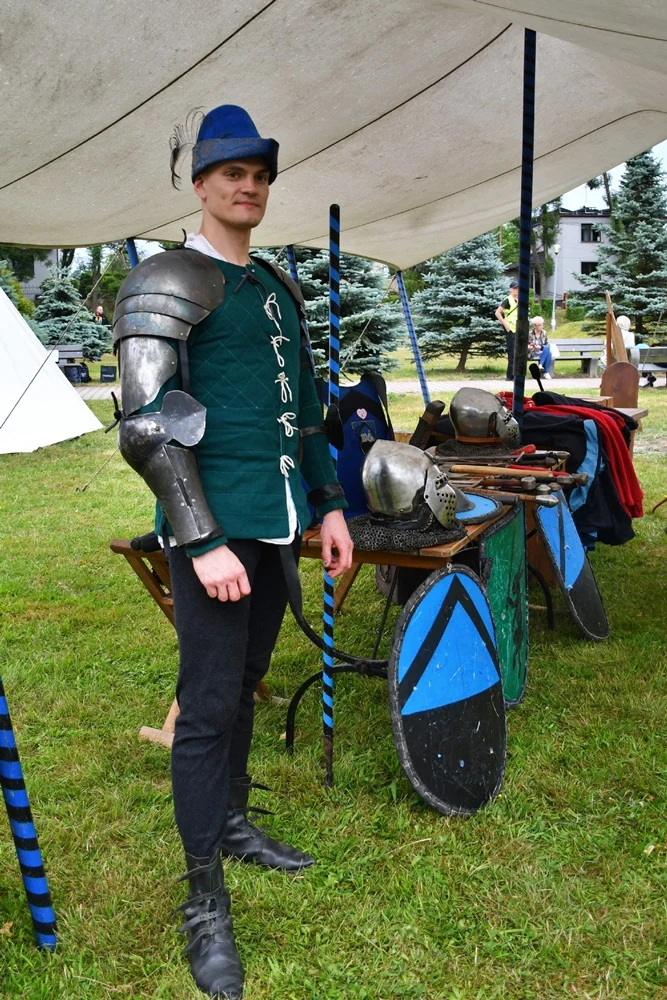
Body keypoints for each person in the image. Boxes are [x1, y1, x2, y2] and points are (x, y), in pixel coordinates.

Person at [112, 104, 353, 999]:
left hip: (277, 524)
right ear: (201, 183)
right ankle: (202, 895)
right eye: (231, 174)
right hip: (212, 531)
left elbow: (306, 414)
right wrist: (203, 539)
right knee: (208, 707)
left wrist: (330, 506)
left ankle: (235, 822)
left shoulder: (277, 287)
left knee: (248, 681)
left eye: (258, 176)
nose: (247, 187)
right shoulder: (165, 279)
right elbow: (146, 426)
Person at [495, 280, 519, 380]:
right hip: (510, 329)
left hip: (518, 329)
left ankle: (515, 374)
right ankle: (510, 376)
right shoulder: (508, 300)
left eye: (518, 288)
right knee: (512, 353)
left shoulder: (519, 300)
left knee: (517, 353)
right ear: (511, 289)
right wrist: (505, 324)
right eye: (514, 288)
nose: (516, 290)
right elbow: (497, 313)